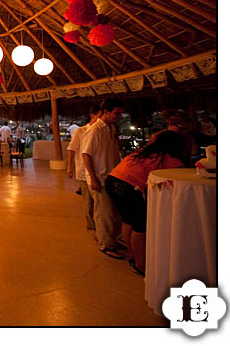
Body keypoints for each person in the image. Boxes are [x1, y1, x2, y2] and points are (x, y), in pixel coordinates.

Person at [106, 130, 187, 276]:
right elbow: (183, 178)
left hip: (113, 180)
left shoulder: (144, 151)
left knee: (128, 221)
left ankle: (134, 257)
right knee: (140, 226)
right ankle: (141, 265)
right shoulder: (169, 159)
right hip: (127, 186)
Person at [81, 98, 125, 260]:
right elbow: (86, 154)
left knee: (113, 211)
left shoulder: (110, 128)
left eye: (120, 113)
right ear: (106, 111)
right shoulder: (95, 130)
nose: (119, 116)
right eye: (116, 113)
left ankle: (113, 239)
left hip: (112, 176)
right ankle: (106, 244)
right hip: (100, 177)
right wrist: (93, 178)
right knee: (104, 213)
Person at [67, 104, 101, 237]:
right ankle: (91, 226)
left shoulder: (102, 130)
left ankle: (100, 226)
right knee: (88, 201)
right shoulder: (80, 131)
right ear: (93, 115)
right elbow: (72, 149)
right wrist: (69, 167)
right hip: (83, 170)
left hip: (99, 171)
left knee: (99, 202)